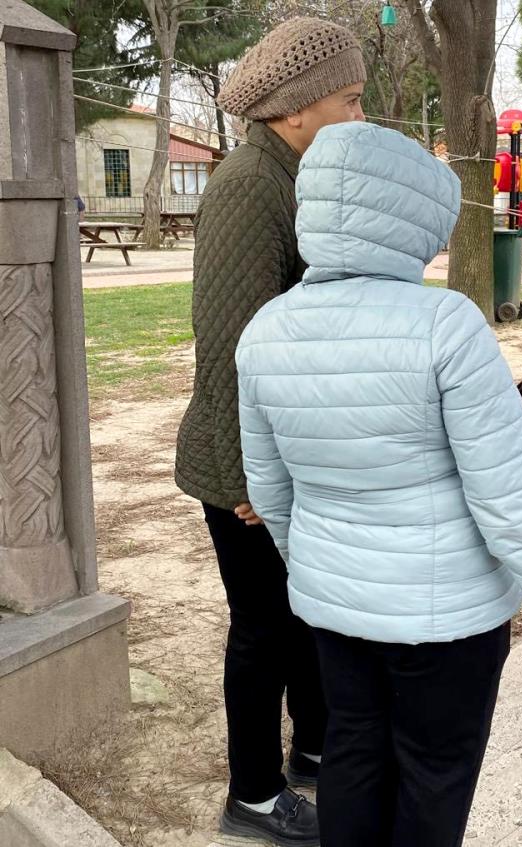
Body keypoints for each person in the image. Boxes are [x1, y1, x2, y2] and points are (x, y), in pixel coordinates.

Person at [235, 121, 522, 847]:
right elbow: (507, 488)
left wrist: (319, 567)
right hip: (446, 619)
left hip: (337, 608)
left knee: (353, 752)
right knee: (434, 773)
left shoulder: (266, 331)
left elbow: (268, 490)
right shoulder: (447, 325)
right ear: (411, 217)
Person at [173, 17, 366, 845]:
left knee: (303, 616)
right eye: (349, 100)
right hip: (243, 466)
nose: (359, 117)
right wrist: (251, 476)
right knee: (263, 629)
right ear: (295, 108)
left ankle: (315, 751)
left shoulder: (295, 171)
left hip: (282, 459)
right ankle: (252, 791)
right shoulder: (254, 182)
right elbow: (231, 346)